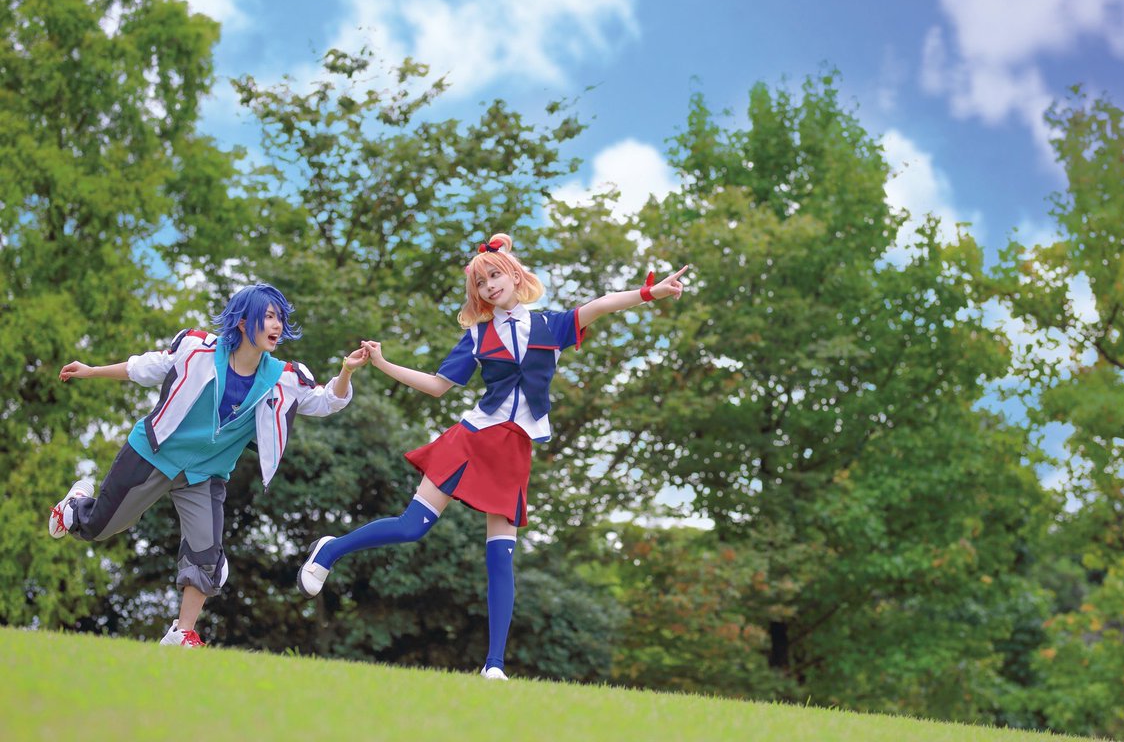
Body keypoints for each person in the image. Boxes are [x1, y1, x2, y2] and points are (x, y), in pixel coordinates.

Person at [297, 233, 688, 679]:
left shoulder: (552, 326)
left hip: (514, 450)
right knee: (412, 527)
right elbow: (438, 385)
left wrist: (649, 293)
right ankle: (330, 551)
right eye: (481, 284)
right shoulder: (478, 335)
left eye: (495, 276)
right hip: (472, 439)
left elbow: (600, 305)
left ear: (515, 276)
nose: (489, 287)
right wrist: (383, 364)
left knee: (501, 557)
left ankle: (494, 665)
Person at [51, 283, 369, 647]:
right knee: (100, 527)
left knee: (206, 555)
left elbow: (326, 401)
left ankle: (181, 633)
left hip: (205, 474)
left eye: (280, 318)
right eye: (268, 316)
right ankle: (74, 508)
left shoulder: (284, 379)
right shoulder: (197, 349)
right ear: (243, 321)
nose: (277, 325)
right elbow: (145, 367)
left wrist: (346, 371)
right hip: (154, 452)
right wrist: (91, 371)